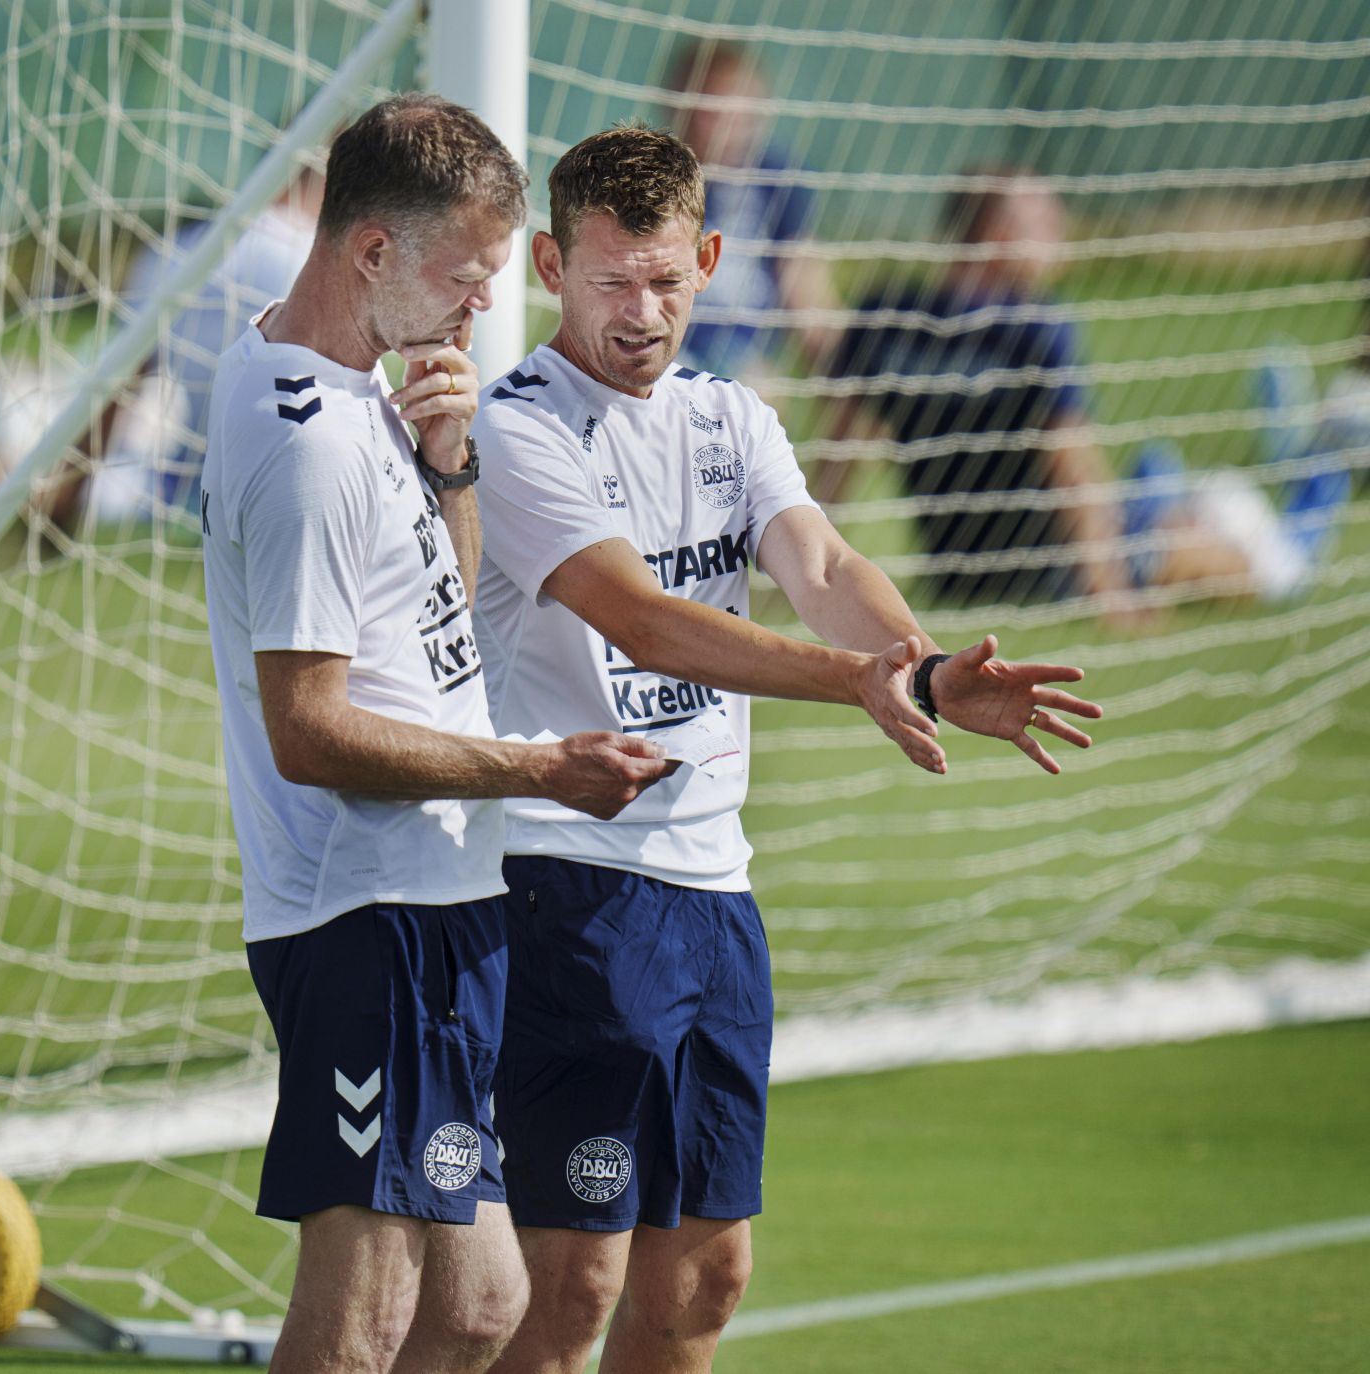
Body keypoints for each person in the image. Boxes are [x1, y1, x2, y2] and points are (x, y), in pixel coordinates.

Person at [468, 126, 1104, 1374]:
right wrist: (859, 681)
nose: (641, 312)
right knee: (571, 1282)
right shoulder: (522, 425)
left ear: (707, 258)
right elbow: (645, 620)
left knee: (706, 1279)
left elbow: (817, 563)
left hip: (715, 894)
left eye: (664, 279)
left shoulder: (731, 417)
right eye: (608, 280)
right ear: (550, 262)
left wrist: (917, 666)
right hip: (570, 882)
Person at [199, 94, 678, 1374]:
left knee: (475, 1309)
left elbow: (442, 619)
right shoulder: (304, 444)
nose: (481, 307)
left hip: (444, 912)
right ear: (371, 254)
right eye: (466, 277)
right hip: (367, 927)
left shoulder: (369, 398)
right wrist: (542, 771)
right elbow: (311, 732)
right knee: (358, 1332)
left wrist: (452, 462)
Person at [822, 170, 1341, 607]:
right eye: (1044, 218)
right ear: (998, 232)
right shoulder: (1035, 324)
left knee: (1165, 476)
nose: (1061, 229)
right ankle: (1317, 478)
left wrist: (814, 572)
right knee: (1265, 560)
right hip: (1059, 569)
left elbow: (837, 454)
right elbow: (1071, 467)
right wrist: (1113, 595)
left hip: (956, 573)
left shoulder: (883, 313)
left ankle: (1291, 465)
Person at [85, 160, 321, 527]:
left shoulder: (178, 251)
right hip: (290, 480)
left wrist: (69, 489)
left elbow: (121, 383)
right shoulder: (315, 260)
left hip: (185, 480)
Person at [668, 40, 839, 379]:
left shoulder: (777, 178)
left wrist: (839, 360)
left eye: (739, 107)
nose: (729, 122)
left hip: (748, 347)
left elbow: (803, 278)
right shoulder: (662, 178)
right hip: (681, 335)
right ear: (681, 108)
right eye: (713, 109)